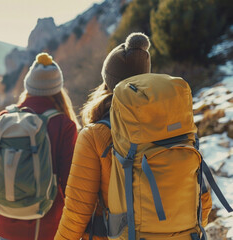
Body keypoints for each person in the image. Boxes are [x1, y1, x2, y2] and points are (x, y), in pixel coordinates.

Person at [55, 32, 213, 240]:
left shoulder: (95, 135)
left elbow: (77, 212)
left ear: (107, 82)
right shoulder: (173, 125)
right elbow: (203, 199)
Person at [0, 52, 79, 240]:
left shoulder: (2, 120)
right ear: (58, 88)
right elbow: (69, 182)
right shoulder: (64, 124)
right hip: (47, 227)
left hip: (7, 224)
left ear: (28, 85)